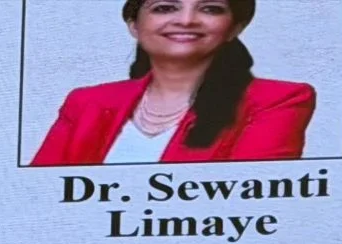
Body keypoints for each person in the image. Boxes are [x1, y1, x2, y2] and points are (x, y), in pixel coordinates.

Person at [28, 0, 314, 166]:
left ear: (235, 28)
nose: (186, 20)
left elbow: (249, 203)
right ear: (134, 25)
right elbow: (41, 194)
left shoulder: (278, 101)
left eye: (210, 9)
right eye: (165, 7)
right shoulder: (85, 102)